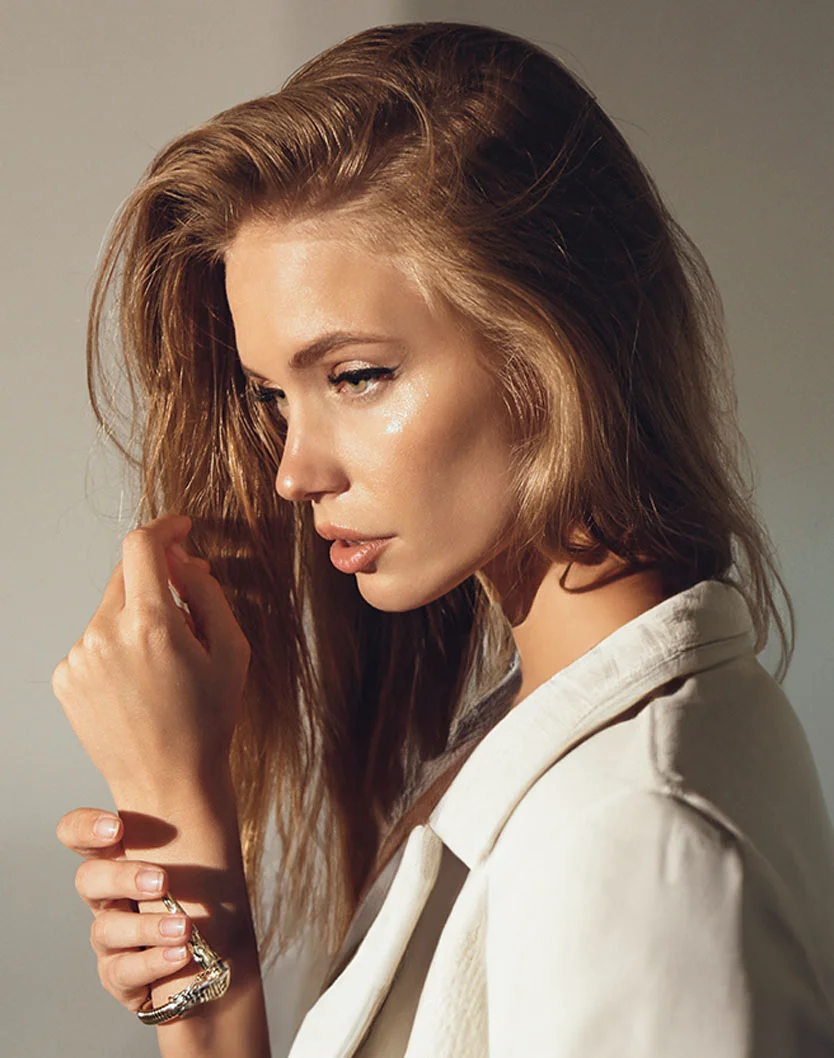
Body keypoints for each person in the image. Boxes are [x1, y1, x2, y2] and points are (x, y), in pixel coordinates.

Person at [51, 20, 834, 1058]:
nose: (294, 471)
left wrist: (175, 810)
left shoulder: (635, 838)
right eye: (273, 394)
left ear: (554, 346)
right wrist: (199, 950)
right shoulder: (542, 746)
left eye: (357, 375)